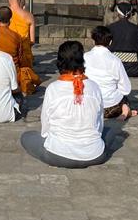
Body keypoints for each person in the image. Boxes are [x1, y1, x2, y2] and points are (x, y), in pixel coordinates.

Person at [20, 40, 108, 168]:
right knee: (110, 131)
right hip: (94, 155)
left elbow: (46, 127)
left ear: (60, 62)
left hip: (58, 155)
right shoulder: (94, 87)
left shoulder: (53, 88)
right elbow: (99, 125)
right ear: (82, 60)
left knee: (26, 137)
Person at [84, 25, 136, 120]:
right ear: (110, 42)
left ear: (93, 40)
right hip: (111, 108)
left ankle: (124, 110)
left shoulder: (84, 57)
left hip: (89, 106)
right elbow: (126, 89)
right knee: (124, 99)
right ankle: (125, 110)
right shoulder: (115, 60)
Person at [5, 0, 41, 94]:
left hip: (6, 56)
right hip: (23, 59)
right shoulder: (29, 16)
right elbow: (32, 41)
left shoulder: (1, 16)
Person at [108, 1, 138, 77]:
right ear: (130, 15)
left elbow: (107, 47)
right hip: (133, 68)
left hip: (114, 68)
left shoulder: (111, 27)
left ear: (118, 14)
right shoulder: (136, 29)